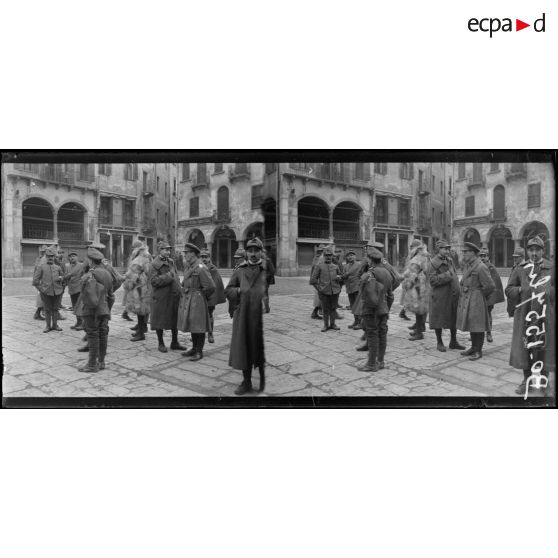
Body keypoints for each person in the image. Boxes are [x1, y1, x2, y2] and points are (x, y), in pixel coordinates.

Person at [505, 236, 555, 396]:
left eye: (537, 250)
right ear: (527, 251)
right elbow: (509, 289)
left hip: (545, 316)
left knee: (544, 349)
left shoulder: (551, 267)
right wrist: (520, 290)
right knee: (526, 348)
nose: (534, 253)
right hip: (525, 316)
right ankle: (526, 381)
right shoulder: (520, 268)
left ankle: (544, 383)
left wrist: (549, 292)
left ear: (543, 251)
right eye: (531, 250)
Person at [226, 237, 268, 395]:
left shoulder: (265, 270)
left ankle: (263, 381)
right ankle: (247, 382)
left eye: (256, 251)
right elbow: (228, 289)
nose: (253, 254)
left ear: (260, 252)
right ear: (246, 253)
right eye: (250, 251)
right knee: (244, 349)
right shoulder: (240, 270)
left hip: (260, 317)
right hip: (243, 315)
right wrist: (238, 291)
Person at [455, 242, 495, 360]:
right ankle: (473, 347)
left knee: (478, 326)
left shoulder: (481, 267)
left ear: (473, 253)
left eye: (466, 252)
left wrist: (480, 295)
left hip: (477, 300)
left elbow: (490, 286)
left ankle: (478, 351)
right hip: (469, 300)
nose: (464, 254)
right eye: (463, 252)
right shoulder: (469, 265)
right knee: (472, 325)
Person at [77, 247, 114, 373]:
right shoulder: (108, 273)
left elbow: (84, 293)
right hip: (104, 309)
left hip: (91, 310)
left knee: (92, 335)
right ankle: (101, 361)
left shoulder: (90, 274)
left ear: (90, 261)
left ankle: (92, 364)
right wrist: (108, 308)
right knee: (103, 334)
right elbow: (111, 295)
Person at [357, 248, 394, 372]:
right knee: (382, 335)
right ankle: (380, 361)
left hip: (371, 310)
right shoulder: (387, 273)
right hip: (383, 309)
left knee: (372, 335)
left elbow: (362, 293)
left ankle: (371, 364)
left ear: (370, 260)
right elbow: (390, 294)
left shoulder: (369, 274)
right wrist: (387, 308)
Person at [178, 244, 216, 361]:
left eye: (187, 253)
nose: (185, 255)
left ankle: (199, 351)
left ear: (193, 253)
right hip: (189, 298)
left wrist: (201, 296)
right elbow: (185, 282)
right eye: (185, 253)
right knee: (192, 325)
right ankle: (194, 348)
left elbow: (210, 286)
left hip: (198, 300)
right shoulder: (189, 267)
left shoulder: (201, 267)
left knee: (199, 327)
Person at [427, 240, 465, 352]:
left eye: (448, 248)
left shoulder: (449, 260)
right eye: (445, 248)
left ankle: (453, 341)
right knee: (438, 319)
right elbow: (432, 281)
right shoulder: (433, 263)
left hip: (452, 295)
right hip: (440, 297)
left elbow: (454, 275)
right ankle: (439, 342)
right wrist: (447, 275)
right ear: (438, 249)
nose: (447, 251)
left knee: (453, 317)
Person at [149, 241, 186, 353]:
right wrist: (169, 276)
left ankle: (175, 342)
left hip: (173, 296)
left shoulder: (171, 262)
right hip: (161, 297)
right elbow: (154, 281)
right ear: (160, 250)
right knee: (159, 320)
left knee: (175, 319)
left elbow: (176, 276)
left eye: (169, 249)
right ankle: (161, 343)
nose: (168, 251)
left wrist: (179, 287)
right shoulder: (154, 264)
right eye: (166, 249)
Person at [402, 239, 430, 340]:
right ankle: (418, 329)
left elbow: (413, 272)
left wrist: (407, 282)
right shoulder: (421, 256)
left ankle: (419, 332)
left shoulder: (419, 257)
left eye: (411, 247)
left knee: (418, 310)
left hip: (419, 287)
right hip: (420, 286)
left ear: (416, 248)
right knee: (418, 310)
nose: (410, 249)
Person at [310, 246, 343, 332]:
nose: (328, 257)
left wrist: (339, 280)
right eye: (326, 255)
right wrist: (319, 289)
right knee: (325, 309)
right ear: (324, 256)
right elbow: (313, 280)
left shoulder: (335, 266)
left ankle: (333, 324)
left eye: (330, 255)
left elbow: (341, 277)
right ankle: (325, 325)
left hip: (335, 291)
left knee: (333, 308)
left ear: (332, 256)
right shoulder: (319, 266)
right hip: (324, 292)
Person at [32, 247, 65, 333]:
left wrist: (61, 282)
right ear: (46, 257)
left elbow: (63, 279)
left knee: (55, 309)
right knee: (47, 309)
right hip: (46, 292)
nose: (50, 258)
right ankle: (47, 326)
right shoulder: (41, 267)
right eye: (48, 256)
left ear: (54, 257)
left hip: (57, 292)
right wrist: (42, 289)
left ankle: (55, 325)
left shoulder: (58, 267)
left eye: (52, 256)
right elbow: (35, 281)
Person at [124, 242, 152, 342]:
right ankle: (140, 330)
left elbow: (144, 271)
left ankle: (141, 333)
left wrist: (132, 280)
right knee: (139, 310)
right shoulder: (140, 257)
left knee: (140, 310)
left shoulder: (143, 258)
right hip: (138, 286)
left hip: (140, 287)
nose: (133, 250)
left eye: (134, 248)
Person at [478, 249, 505, 343]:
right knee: (478, 315)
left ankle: (489, 333)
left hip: (488, 296)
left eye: (484, 256)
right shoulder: (477, 266)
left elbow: (495, 282)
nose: (482, 258)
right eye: (480, 256)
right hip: (479, 295)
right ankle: (478, 333)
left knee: (488, 314)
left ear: (488, 257)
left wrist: (491, 296)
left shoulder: (491, 267)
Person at [200, 248, 225, 343]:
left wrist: (208, 294)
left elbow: (216, 284)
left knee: (209, 314)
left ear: (209, 258)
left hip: (210, 297)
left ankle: (210, 333)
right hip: (200, 296)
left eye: (206, 257)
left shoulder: (213, 269)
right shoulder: (198, 267)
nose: (204, 259)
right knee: (199, 316)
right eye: (202, 257)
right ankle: (199, 334)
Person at [122, 240, 145, 321]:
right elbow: (134, 269)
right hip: (133, 280)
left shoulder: (133, 255)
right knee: (134, 298)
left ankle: (126, 313)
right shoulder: (137, 255)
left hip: (130, 279)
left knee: (130, 298)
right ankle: (140, 320)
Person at [64, 250, 85, 330]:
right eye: (70, 256)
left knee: (80, 306)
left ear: (77, 257)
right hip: (72, 289)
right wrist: (67, 277)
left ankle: (83, 323)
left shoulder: (81, 266)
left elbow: (84, 276)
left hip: (79, 289)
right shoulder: (67, 266)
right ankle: (78, 322)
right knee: (75, 306)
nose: (72, 258)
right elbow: (65, 276)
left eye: (74, 256)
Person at [342, 249, 362, 329]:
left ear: (355, 256)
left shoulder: (359, 265)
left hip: (357, 288)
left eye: (352, 255)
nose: (350, 257)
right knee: (353, 306)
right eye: (348, 256)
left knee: (358, 306)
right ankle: (356, 321)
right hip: (349, 288)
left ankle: (360, 322)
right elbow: (343, 276)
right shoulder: (345, 266)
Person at [506, 248, 525, 318]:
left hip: (520, 303)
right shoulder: (516, 267)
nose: (514, 259)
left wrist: (520, 289)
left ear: (522, 257)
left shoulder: (524, 268)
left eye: (517, 257)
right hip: (514, 301)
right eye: (514, 257)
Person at [32, 245, 49, 320]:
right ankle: (39, 313)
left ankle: (39, 312)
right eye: (43, 251)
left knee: (42, 297)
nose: (43, 252)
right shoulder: (43, 259)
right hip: (41, 281)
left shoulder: (41, 258)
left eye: (44, 251)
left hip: (40, 280)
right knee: (43, 296)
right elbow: (39, 270)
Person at [310, 244, 326, 320]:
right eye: (321, 250)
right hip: (319, 279)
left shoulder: (317, 257)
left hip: (318, 279)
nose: (321, 251)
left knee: (320, 297)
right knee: (320, 297)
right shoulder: (320, 258)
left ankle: (319, 311)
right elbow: (316, 269)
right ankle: (315, 312)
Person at [262, 248, 275, 313]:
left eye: (263, 253)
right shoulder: (260, 261)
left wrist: (266, 277)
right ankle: (265, 307)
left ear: (265, 253)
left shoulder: (268, 260)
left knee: (265, 294)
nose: (262, 254)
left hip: (265, 280)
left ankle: (267, 308)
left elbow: (272, 271)